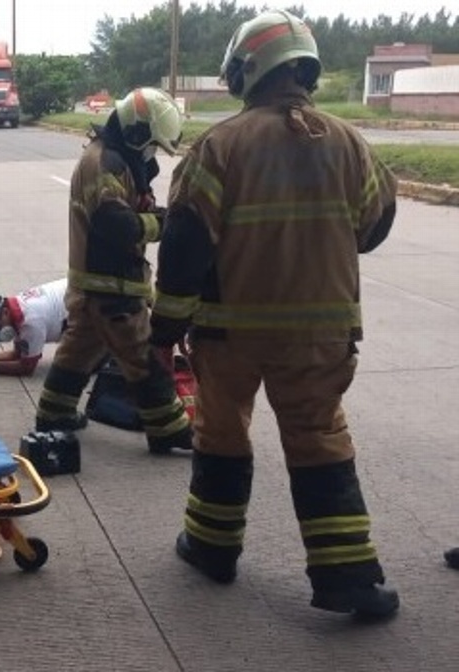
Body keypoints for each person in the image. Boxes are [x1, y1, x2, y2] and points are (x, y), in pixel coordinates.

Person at [149, 10, 399, 619]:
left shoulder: (219, 147)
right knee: (319, 438)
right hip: (319, 336)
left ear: (246, 72)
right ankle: (346, 578)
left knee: (222, 431)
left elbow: (184, 245)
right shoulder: (348, 142)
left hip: (231, 333)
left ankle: (211, 549)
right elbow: (374, 226)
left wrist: (166, 328)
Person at [32, 86, 194, 455]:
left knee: (79, 352)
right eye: (152, 145)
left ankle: (54, 414)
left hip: (95, 285)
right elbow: (114, 223)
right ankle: (168, 427)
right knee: (143, 357)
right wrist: (162, 223)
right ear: (137, 133)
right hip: (112, 288)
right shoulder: (107, 164)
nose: (152, 154)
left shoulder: (111, 157)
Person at [0, 278, 68, 376]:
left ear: (5, 312)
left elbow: (27, 368)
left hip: (80, 306)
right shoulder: (15, 307)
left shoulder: (30, 323)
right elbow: (18, 354)